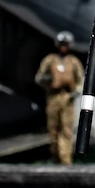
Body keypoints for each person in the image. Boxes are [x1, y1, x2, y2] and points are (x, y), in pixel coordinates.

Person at [35, 32, 85, 165]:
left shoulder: (73, 61)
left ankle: (66, 160)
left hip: (67, 97)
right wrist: (47, 80)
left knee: (66, 129)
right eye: (61, 45)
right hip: (53, 97)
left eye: (66, 45)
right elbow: (39, 77)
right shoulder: (50, 60)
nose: (63, 47)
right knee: (53, 129)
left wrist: (76, 92)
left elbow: (80, 80)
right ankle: (55, 157)